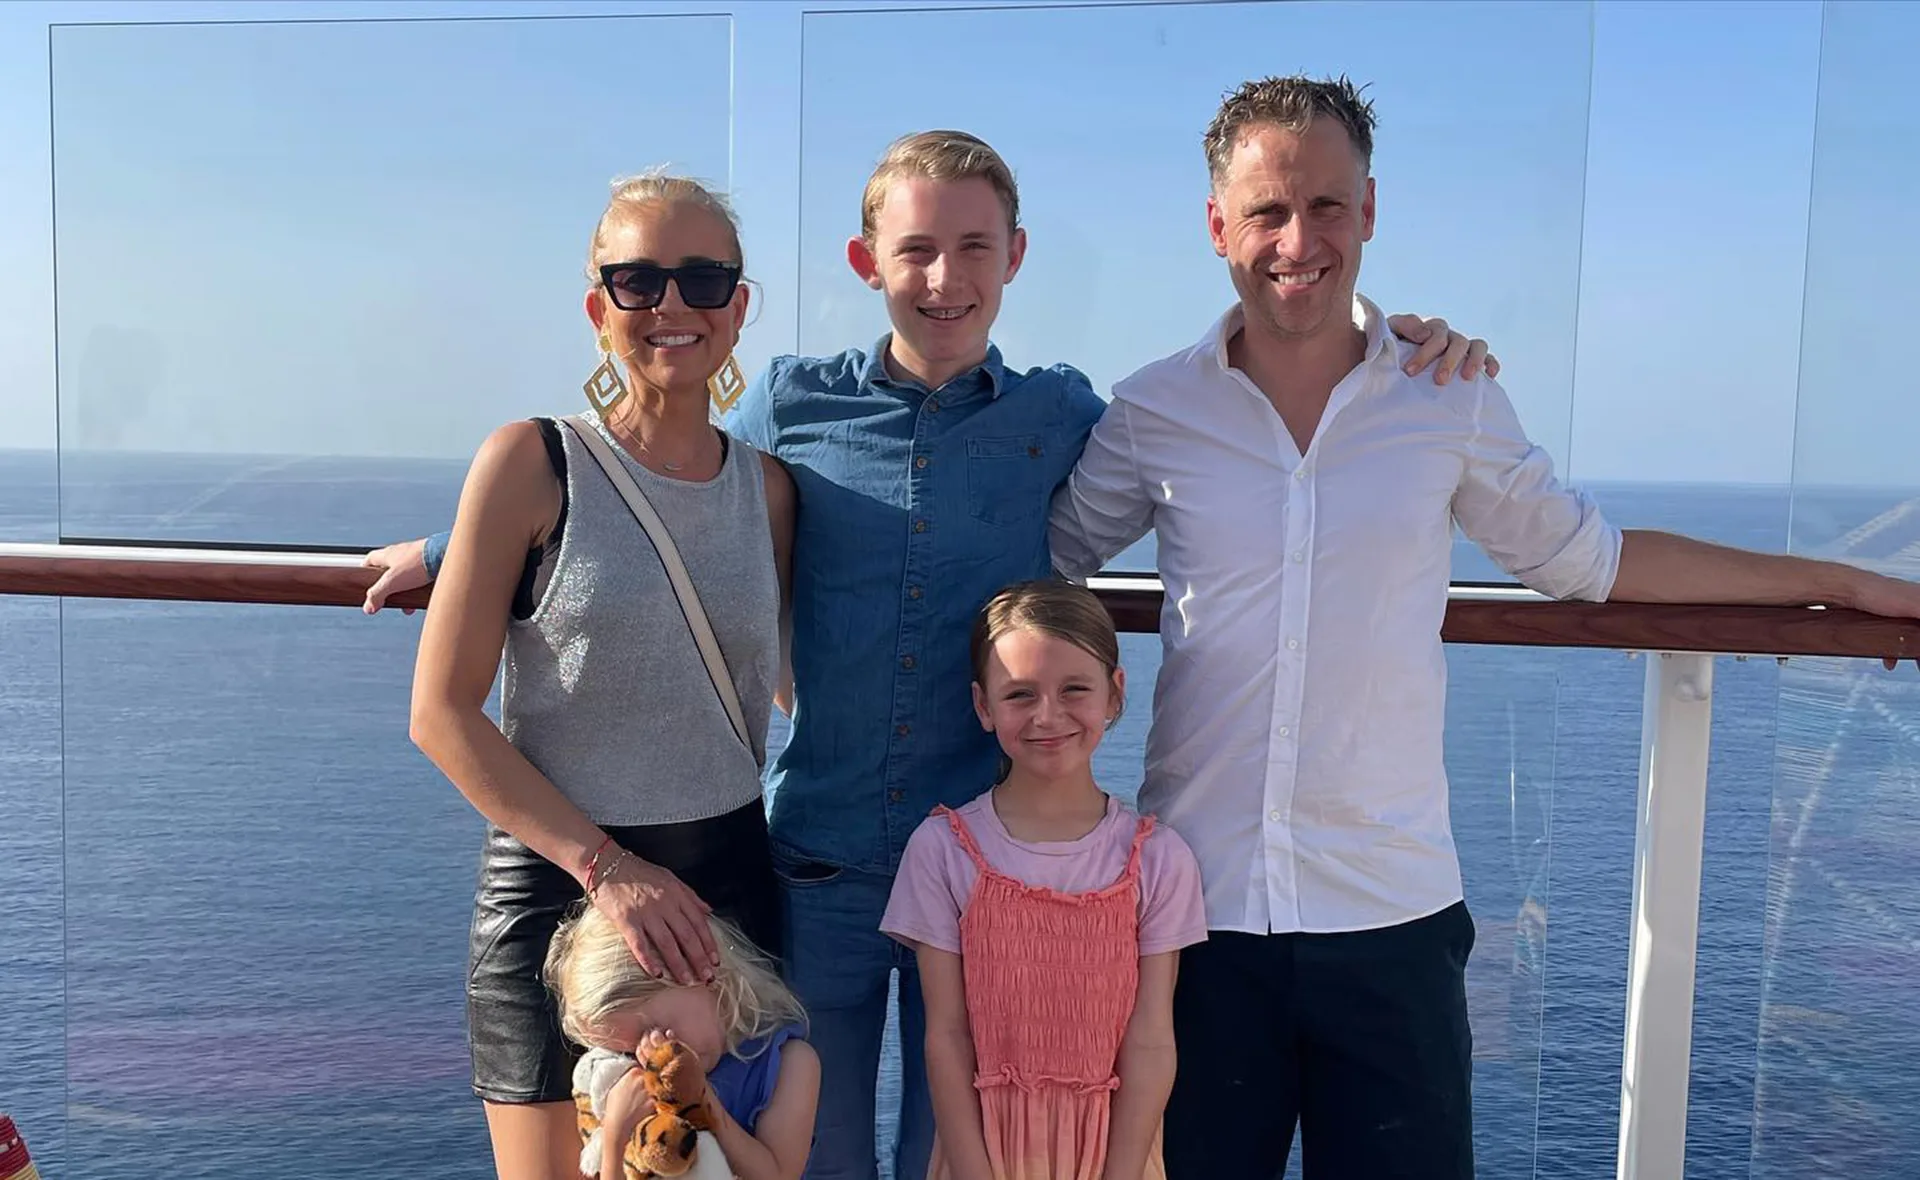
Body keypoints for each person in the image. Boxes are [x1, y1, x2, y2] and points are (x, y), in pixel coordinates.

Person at [367, 129, 1492, 1180]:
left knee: (961, 1153)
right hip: (822, 860)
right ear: (868, 260)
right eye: (916, 249)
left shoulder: (1064, 416)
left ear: (1015, 258)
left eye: (971, 247)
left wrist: (1405, 346)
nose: (944, 276)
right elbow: (656, 471)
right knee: (820, 1151)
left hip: (984, 868)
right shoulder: (794, 405)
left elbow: (1219, 452)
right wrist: (457, 544)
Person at [1048, 74, 1920, 1180]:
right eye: (1267, 210)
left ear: (1370, 211)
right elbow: (1041, 553)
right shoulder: (1154, 410)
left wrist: (1835, 585)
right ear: (1219, 224)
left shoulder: (1444, 394)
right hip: (1196, 916)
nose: (1296, 239)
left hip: (1395, 916)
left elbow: (1590, 560)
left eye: (1326, 206)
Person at [408, 170, 794, 1180]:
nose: (671, 305)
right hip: (557, 893)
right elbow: (441, 714)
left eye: (703, 279)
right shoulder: (531, 461)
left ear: (739, 308)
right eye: (637, 281)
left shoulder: (772, 493)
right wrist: (607, 868)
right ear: (598, 310)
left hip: (723, 901)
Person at [880, 580, 1206, 1180]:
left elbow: (1153, 1040)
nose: (1047, 716)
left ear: (1115, 694)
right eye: (1020, 695)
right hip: (981, 1156)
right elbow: (946, 1038)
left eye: (1074, 689)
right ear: (984, 707)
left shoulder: (1160, 859)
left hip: (1118, 1160)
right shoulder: (943, 851)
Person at [545, 906, 820, 1180]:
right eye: (626, 1051)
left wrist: (701, 1102)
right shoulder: (630, 1087)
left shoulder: (789, 1064)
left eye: (654, 1028)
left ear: (692, 970)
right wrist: (615, 1137)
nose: (649, 1053)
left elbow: (779, 1175)